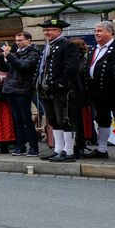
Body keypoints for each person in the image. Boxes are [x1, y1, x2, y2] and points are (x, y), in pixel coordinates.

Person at [84, 21, 115, 158]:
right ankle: (102, 149)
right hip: (97, 91)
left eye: (100, 31)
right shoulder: (93, 49)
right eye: (95, 31)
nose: (96, 33)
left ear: (110, 32)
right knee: (102, 119)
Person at [36, 18, 80, 161]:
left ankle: (69, 152)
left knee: (65, 120)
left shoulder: (67, 45)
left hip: (62, 91)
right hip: (46, 90)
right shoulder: (48, 46)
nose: (46, 32)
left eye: (50, 30)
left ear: (59, 31)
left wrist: (59, 84)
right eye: (45, 30)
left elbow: (71, 68)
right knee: (54, 121)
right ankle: (58, 149)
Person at [0, 32, 42, 156]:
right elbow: (5, 68)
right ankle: (20, 146)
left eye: (20, 40)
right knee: (17, 120)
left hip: (23, 90)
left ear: (28, 40)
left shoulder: (33, 53)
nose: (17, 42)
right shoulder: (17, 53)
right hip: (11, 89)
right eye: (16, 40)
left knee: (27, 120)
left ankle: (33, 147)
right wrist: (0, 56)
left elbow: (23, 67)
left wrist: (9, 55)